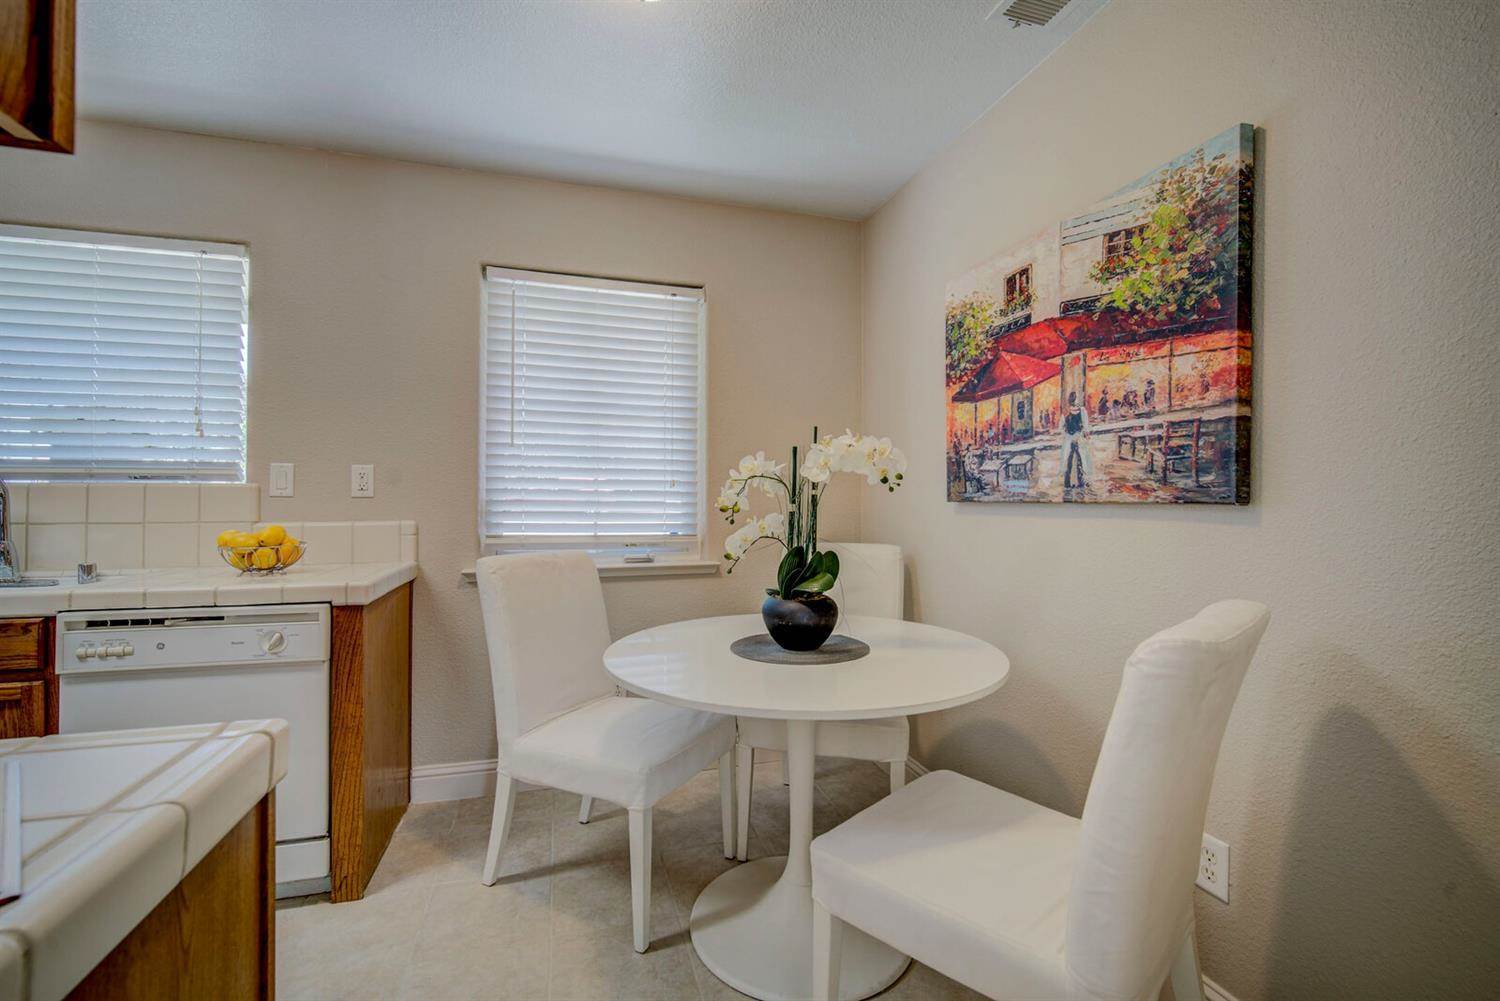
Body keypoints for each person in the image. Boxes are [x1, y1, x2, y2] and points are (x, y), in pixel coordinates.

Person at [1063, 391, 1093, 491]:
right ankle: (1080, 480)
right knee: (1081, 458)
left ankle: (1069, 482)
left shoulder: (1066, 412)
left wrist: (1067, 434)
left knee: (1072, 458)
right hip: (1078, 438)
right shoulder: (1082, 410)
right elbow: (1085, 425)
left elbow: (1063, 427)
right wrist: (1086, 434)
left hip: (1070, 438)